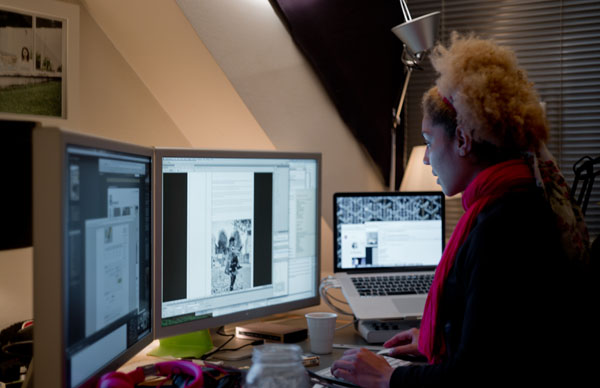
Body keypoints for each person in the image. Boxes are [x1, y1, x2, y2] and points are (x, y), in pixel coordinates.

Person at [330, 32, 592, 387]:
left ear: (463, 140)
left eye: (427, 140)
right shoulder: (517, 199)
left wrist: (387, 378)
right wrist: (433, 339)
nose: (426, 156)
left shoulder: (501, 227)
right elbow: (497, 344)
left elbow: (475, 377)